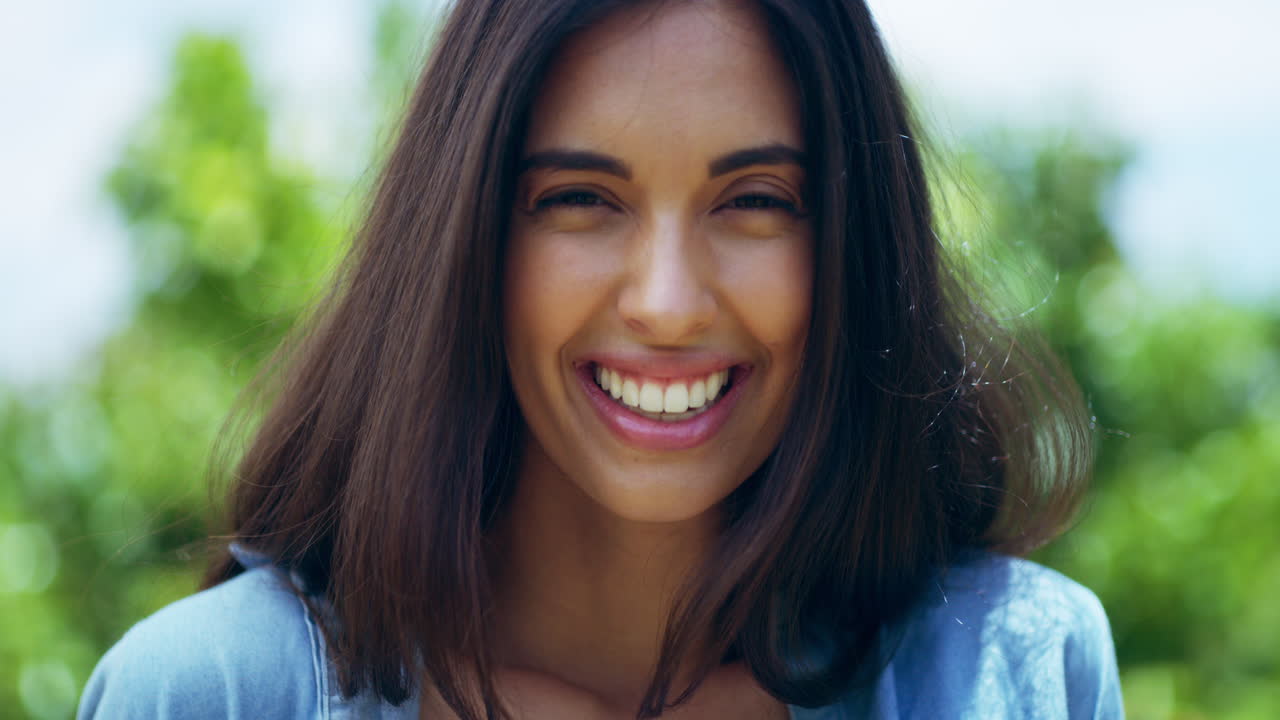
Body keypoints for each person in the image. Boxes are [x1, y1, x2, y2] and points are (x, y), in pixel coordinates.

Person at [78, 0, 1124, 718]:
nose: (665, 304)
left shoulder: (1011, 671)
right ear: (469, 239)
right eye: (580, 200)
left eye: (753, 201)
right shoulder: (212, 691)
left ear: (851, 241)